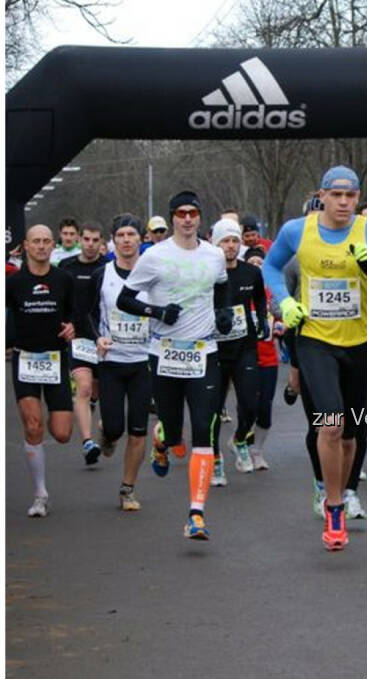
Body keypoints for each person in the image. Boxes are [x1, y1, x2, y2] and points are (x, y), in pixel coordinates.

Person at [263, 165, 367, 550]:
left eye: (351, 196)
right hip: (315, 342)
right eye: (336, 195)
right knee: (330, 423)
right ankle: (334, 504)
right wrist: (286, 301)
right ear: (322, 195)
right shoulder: (298, 230)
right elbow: (271, 266)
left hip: (359, 345)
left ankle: (343, 488)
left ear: (359, 199)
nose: (343, 202)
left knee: (351, 434)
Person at [118, 190, 233, 540]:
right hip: (165, 352)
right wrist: (157, 312)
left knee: (204, 428)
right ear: (172, 218)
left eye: (192, 213)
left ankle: (196, 513)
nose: (187, 218)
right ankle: (163, 438)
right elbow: (126, 299)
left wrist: (223, 312)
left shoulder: (214, 255)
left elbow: (222, 288)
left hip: (204, 352)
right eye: (180, 213)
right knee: (173, 428)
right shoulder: (155, 256)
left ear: (199, 217)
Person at [7, 224, 76, 517]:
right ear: (25, 246)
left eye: (47, 241)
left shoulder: (64, 279)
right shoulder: (13, 282)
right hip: (25, 360)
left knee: (61, 433)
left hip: (55, 360)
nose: (42, 246)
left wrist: (74, 327)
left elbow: (75, 315)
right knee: (33, 425)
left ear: (53, 245)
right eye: (36, 241)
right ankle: (40, 493)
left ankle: (44, 435)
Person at [89, 215, 152, 510]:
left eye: (132, 235)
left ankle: (128, 489)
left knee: (139, 430)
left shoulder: (153, 274)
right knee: (115, 427)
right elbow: (86, 313)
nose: (126, 240)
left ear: (141, 239)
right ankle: (108, 434)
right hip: (111, 361)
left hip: (143, 362)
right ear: (113, 241)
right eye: (121, 235)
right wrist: (95, 338)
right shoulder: (102, 275)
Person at [209, 218, 268, 485]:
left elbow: (259, 298)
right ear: (216, 244)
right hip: (215, 349)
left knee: (250, 404)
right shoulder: (208, 272)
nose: (231, 246)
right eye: (225, 241)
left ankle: (239, 438)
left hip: (245, 345)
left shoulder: (251, 272)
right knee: (212, 409)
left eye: (234, 241)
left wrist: (264, 320)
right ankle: (216, 459)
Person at [59, 222, 107, 464]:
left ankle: (93, 406)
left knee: (96, 391)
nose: (90, 244)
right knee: (84, 388)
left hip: (102, 338)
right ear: (80, 240)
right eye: (86, 239)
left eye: (95, 240)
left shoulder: (107, 267)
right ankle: (88, 442)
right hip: (77, 338)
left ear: (101, 242)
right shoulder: (67, 267)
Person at [242, 247, 280, 470]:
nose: (256, 266)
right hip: (243, 357)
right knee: (248, 406)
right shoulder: (238, 290)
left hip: (268, 358)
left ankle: (257, 451)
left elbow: (280, 314)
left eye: (260, 262)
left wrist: (282, 324)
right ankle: (241, 443)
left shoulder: (270, 292)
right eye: (252, 262)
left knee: (265, 409)